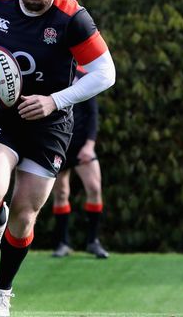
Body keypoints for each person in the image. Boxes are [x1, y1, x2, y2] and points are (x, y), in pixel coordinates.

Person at [0, 0, 116, 317]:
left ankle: (0, 295)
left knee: (26, 214)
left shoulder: (73, 17)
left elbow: (105, 73)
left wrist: (55, 100)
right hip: (3, 114)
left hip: (51, 124)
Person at [51, 68, 109, 259]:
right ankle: (62, 243)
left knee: (94, 189)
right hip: (59, 145)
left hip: (82, 146)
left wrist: (89, 145)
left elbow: (93, 114)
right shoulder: (53, 71)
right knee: (60, 193)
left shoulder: (85, 77)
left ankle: (93, 241)